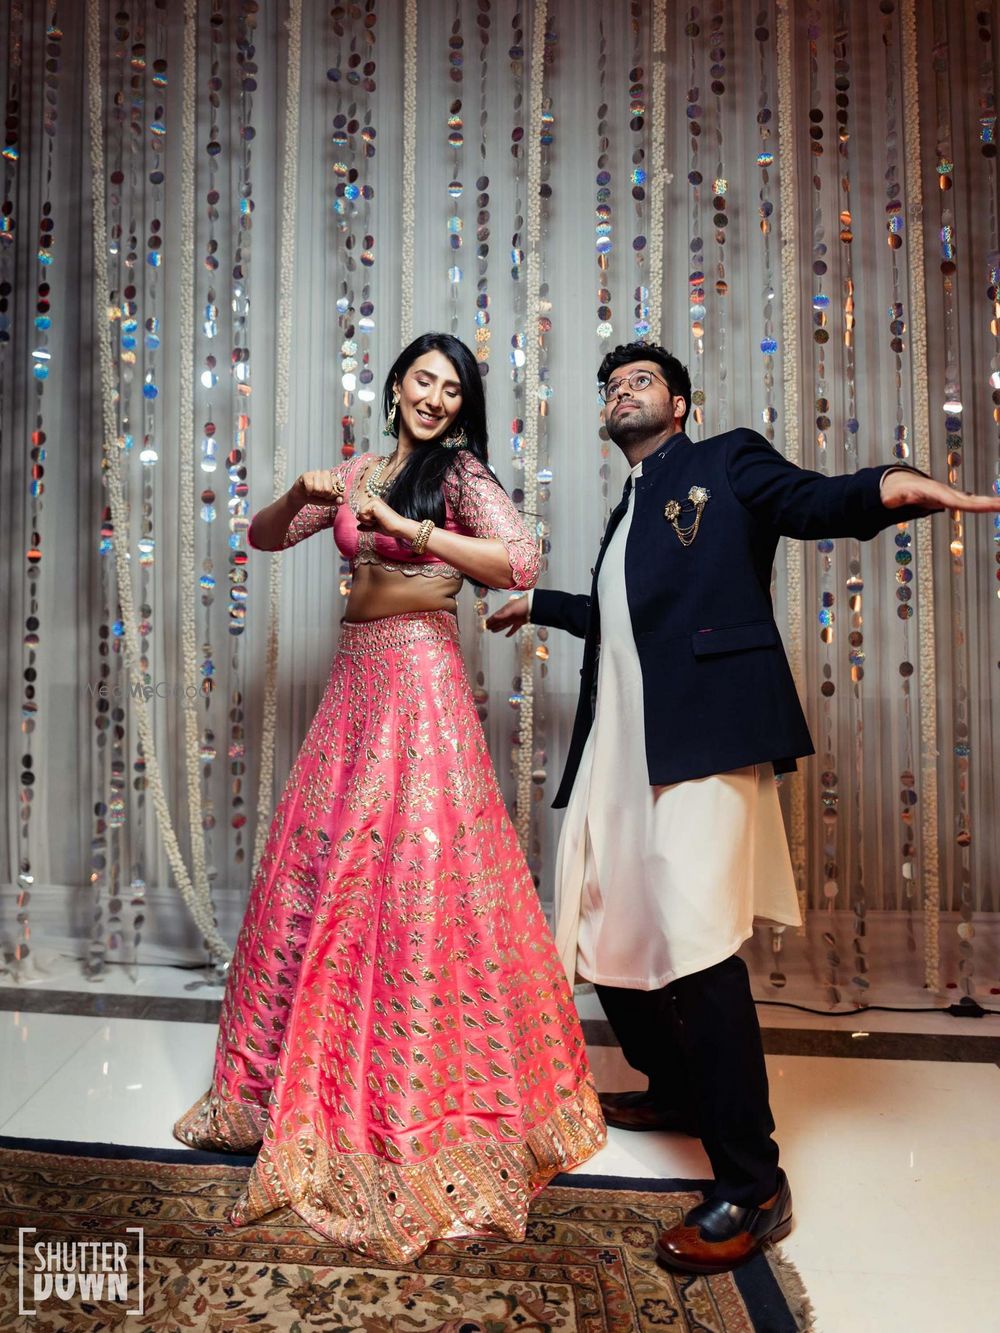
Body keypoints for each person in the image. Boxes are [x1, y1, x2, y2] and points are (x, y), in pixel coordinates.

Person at [486, 340, 1000, 1275]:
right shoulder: (627, 512)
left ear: (678, 404)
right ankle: (678, 1086)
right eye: (610, 386)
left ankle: (753, 1184)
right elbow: (630, 618)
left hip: (706, 743)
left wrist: (891, 485)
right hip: (623, 752)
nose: (621, 393)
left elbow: (813, 500)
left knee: (692, 944)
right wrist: (540, 605)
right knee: (608, 927)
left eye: (639, 381)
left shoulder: (724, 460)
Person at [174, 332, 606, 1264]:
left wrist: (405, 526)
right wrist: (307, 489)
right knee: (329, 872)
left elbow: (520, 559)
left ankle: (410, 1103)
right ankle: (285, 1090)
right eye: (424, 380)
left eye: (453, 388)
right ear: (397, 382)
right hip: (355, 682)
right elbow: (262, 535)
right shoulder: (365, 463)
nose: (436, 398)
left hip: (418, 676)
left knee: (410, 876)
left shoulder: (458, 473)